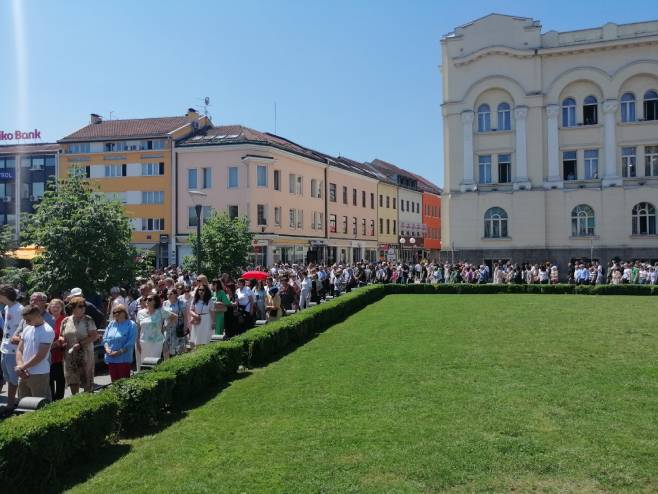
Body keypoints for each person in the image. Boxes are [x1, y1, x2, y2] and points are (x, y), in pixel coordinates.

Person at [15, 305, 55, 401]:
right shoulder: (27, 328)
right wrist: (20, 366)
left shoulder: (47, 331)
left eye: (28, 319)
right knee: (23, 404)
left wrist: (22, 368)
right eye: (25, 320)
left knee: (41, 405)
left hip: (39, 374)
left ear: (38, 316)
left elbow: (40, 356)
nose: (26, 322)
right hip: (24, 373)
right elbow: (19, 349)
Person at [61, 296, 98, 394]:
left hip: (85, 354)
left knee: (86, 380)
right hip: (70, 355)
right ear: (73, 308)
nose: (83, 308)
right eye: (80, 306)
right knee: (73, 379)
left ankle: (87, 401)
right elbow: (61, 336)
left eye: (84, 306)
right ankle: (76, 400)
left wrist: (80, 344)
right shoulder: (65, 321)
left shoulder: (88, 320)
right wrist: (62, 341)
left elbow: (94, 336)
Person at [0, 284, 24, 414]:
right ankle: (12, 402)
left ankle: (12, 405)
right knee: (8, 378)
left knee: (14, 379)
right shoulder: (7, 308)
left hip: (14, 350)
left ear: (3, 295)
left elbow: (25, 329)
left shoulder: (19, 309)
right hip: (4, 348)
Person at [136, 293, 176, 370]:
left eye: (150, 299)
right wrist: (137, 341)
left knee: (154, 363)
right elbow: (138, 328)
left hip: (157, 342)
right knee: (144, 364)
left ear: (155, 301)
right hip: (143, 342)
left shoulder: (161, 311)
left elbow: (174, 317)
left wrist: (166, 327)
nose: (147, 300)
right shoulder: (140, 313)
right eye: (146, 299)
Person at [102, 304, 137, 382]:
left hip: (123, 359)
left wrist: (119, 352)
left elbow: (131, 342)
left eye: (118, 311)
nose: (116, 314)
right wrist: (107, 349)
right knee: (114, 383)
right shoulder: (111, 323)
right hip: (111, 358)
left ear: (124, 312)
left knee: (123, 383)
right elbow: (105, 338)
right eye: (114, 312)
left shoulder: (131, 324)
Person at [47, 299, 67, 401]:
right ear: (49, 307)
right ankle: (50, 400)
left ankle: (59, 401)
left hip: (60, 354)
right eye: (53, 306)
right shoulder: (46, 319)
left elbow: (66, 336)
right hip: (46, 354)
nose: (55, 308)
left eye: (58, 306)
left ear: (62, 308)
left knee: (60, 379)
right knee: (48, 379)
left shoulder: (65, 319)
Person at [162, 289, 187, 358]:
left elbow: (185, 316)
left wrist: (185, 326)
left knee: (178, 348)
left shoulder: (181, 302)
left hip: (178, 328)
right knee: (166, 347)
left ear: (176, 294)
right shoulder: (165, 303)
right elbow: (163, 316)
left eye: (171, 294)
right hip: (167, 328)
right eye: (167, 294)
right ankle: (166, 364)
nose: (168, 295)